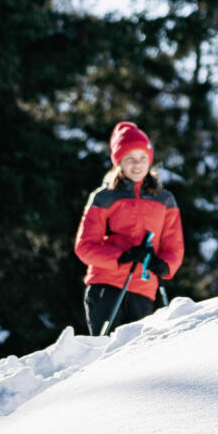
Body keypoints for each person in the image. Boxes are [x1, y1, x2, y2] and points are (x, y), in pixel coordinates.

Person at [75, 121, 184, 334]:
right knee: (106, 353)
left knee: (135, 359)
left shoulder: (164, 199)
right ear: (119, 162)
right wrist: (122, 256)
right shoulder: (104, 197)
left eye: (143, 158)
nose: (137, 165)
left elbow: (174, 244)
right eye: (130, 159)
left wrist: (165, 264)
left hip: (143, 289)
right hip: (106, 286)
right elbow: (84, 246)